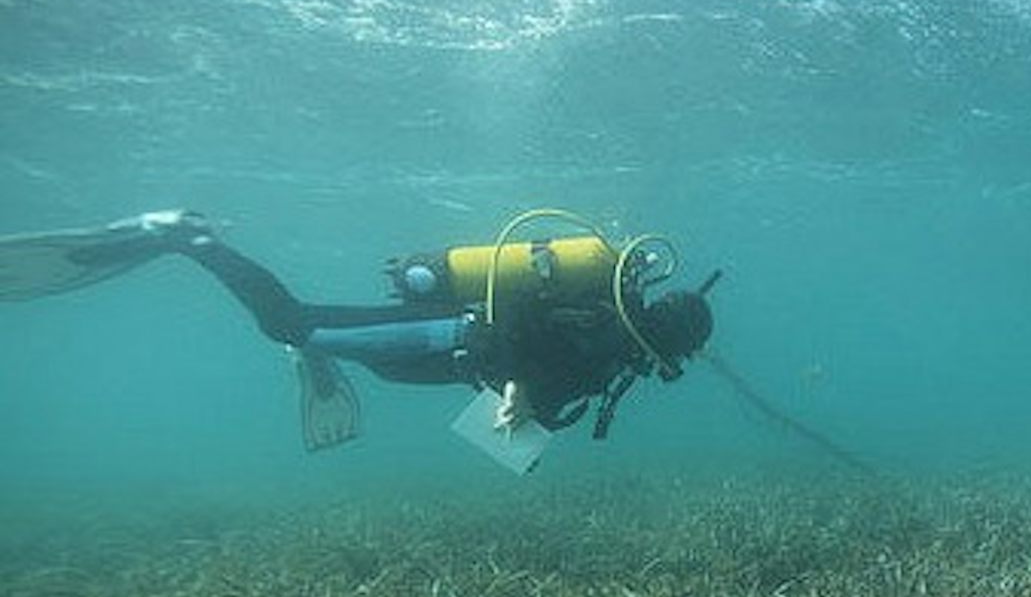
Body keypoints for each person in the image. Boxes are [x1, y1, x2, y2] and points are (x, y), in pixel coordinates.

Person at [0, 208, 716, 454]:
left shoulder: (616, 334)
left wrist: (522, 395)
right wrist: (520, 391)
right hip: (442, 336)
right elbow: (522, 326)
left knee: (340, 348)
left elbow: (544, 374)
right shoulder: (605, 323)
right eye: (676, 354)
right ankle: (188, 238)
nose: (667, 365)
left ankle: (310, 355)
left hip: (442, 357)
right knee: (292, 322)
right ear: (672, 339)